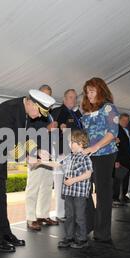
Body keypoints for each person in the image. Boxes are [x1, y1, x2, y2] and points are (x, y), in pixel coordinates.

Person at [0, 89, 56, 253]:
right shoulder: (8, 110)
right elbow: (7, 140)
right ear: (31, 103)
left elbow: (21, 137)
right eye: (39, 112)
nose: (39, 117)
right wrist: (27, 158)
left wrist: (37, 151)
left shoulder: (21, 110)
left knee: (0, 197)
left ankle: (5, 232)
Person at [81, 78, 120, 244]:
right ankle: (90, 224)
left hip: (105, 155)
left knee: (103, 194)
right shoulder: (86, 111)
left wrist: (94, 147)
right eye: (87, 92)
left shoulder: (109, 108)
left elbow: (112, 133)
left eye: (92, 91)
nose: (88, 95)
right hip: (88, 155)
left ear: (100, 91)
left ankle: (102, 232)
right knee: (83, 190)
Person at [39, 131, 93, 249]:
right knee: (69, 216)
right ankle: (69, 237)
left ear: (80, 143)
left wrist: (73, 180)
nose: (69, 144)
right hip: (69, 193)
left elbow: (88, 174)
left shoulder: (85, 158)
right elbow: (57, 164)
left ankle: (82, 238)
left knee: (80, 216)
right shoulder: (69, 157)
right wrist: (41, 161)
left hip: (79, 193)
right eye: (69, 142)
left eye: (71, 142)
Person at [25, 85, 59, 231]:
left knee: (46, 186)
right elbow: (28, 133)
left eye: (49, 96)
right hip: (35, 153)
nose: (46, 100)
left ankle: (43, 215)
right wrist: (47, 129)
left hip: (48, 153)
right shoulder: (31, 111)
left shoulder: (49, 114)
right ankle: (31, 218)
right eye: (44, 95)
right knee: (33, 187)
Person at [51, 89, 83, 223]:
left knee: (70, 182)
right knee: (60, 183)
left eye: (75, 98)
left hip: (73, 152)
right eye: (70, 97)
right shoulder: (59, 111)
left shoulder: (73, 113)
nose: (73, 100)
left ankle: (68, 211)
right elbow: (54, 131)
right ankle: (60, 212)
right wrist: (61, 150)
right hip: (63, 152)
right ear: (64, 98)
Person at [113, 114, 130, 207]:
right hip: (120, 159)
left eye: (127, 120)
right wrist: (116, 160)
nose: (125, 122)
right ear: (119, 120)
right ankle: (115, 198)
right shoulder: (116, 129)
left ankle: (123, 196)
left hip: (128, 158)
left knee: (126, 179)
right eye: (124, 120)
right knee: (117, 179)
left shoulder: (127, 130)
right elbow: (115, 145)